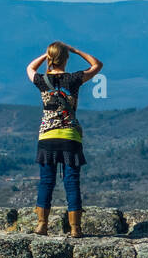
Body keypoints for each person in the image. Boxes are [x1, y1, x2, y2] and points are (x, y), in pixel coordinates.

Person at [26, 41, 103, 237]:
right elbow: (97, 65)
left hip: (47, 137)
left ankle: (42, 225)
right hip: (70, 137)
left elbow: (30, 67)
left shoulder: (42, 80)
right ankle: (76, 228)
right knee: (71, 181)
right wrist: (76, 50)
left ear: (50, 58)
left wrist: (46, 55)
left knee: (46, 182)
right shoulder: (74, 79)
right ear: (66, 59)